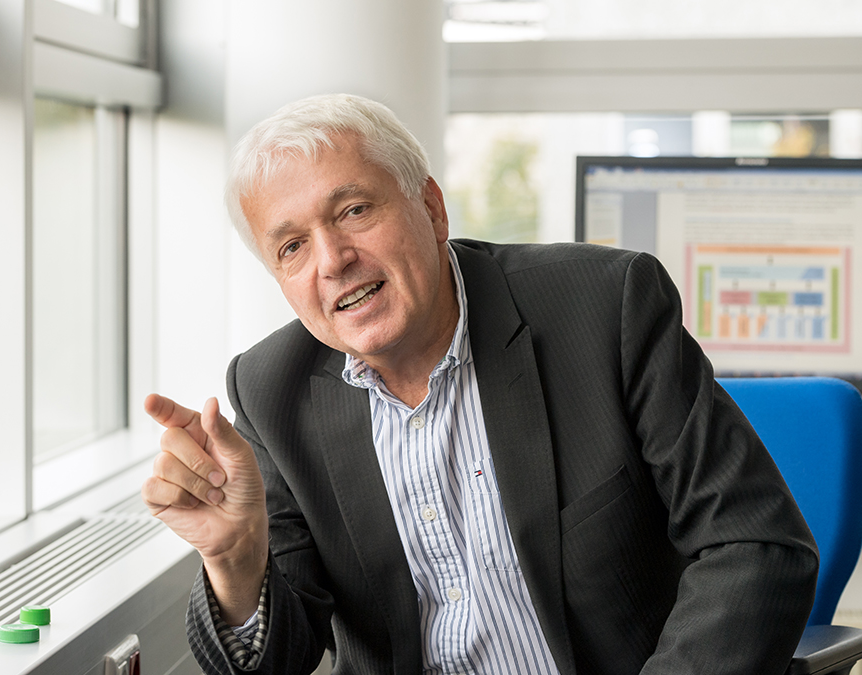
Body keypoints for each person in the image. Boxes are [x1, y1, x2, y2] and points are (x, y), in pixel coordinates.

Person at [142, 93, 819, 675]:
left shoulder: (605, 306)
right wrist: (234, 558)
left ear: (432, 208)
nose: (333, 261)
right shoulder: (270, 389)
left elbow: (755, 544)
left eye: (352, 211)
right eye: (291, 246)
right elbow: (279, 657)